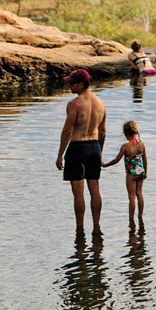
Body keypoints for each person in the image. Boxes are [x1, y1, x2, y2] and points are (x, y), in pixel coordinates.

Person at [56, 68, 107, 238]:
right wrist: (99, 152)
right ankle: (97, 227)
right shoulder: (101, 104)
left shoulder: (74, 104)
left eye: (71, 83)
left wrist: (60, 155)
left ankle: (79, 230)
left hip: (77, 148)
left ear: (80, 84)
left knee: (78, 192)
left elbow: (67, 131)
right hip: (94, 148)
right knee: (95, 189)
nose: (69, 85)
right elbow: (103, 132)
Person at [103, 120, 148, 228]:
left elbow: (116, 160)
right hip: (140, 171)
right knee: (139, 194)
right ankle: (140, 216)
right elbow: (145, 159)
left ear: (126, 134)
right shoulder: (141, 144)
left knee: (131, 197)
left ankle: (131, 219)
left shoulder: (125, 146)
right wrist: (145, 172)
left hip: (131, 173)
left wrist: (105, 165)